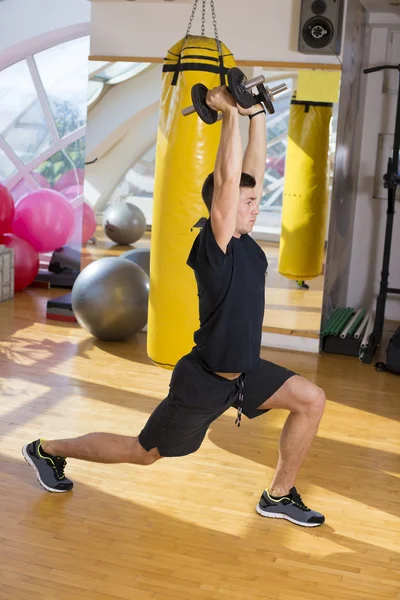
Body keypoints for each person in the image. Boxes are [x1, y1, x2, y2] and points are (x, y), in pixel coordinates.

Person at [23, 86, 326, 527]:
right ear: (221, 209)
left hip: (244, 373)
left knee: (311, 399)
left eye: (256, 201)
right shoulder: (215, 246)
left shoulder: (247, 244)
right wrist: (230, 116)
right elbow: (228, 182)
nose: (255, 207)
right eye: (247, 203)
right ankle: (48, 450)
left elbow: (248, 177)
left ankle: (278, 496)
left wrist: (257, 113)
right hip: (203, 383)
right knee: (142, 453)